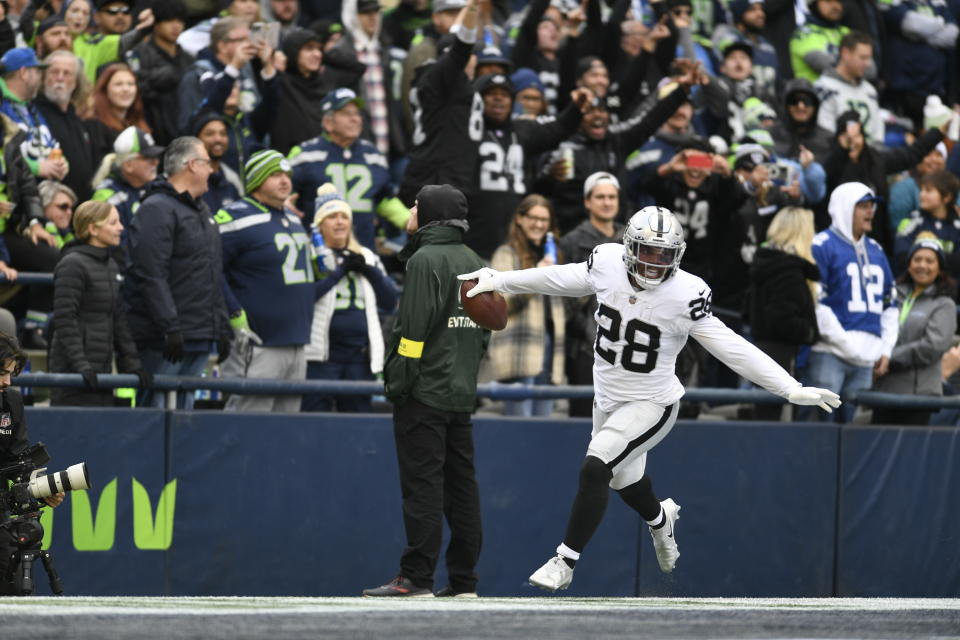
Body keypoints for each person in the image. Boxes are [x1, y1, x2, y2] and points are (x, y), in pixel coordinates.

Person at [458, 206, 839, 592]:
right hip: (607, 399)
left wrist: (788, 386)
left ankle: (565, 561)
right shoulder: (605, 262)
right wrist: (501, 280)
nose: (655, 263)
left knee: (595, 467)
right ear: (628, 247)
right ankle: (661, 520)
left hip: (653, 403)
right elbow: (562, 277)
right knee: (624, 481)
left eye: (664, 254)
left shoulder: (686, 293)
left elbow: (731, 346)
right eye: (647, 251)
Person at [362, 184, 490, 598]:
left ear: (431, 215)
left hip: (424, 394)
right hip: (460, 394)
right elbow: (485, 332)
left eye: (416, 205)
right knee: (462, 488)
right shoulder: (475, 261)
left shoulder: (423, 260)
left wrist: (398, 382)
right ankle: (465, 580)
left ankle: (416, 577)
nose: (409, 211)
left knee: (423, 488)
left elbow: (411, 333)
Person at [124, 136, 232, 409]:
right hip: (163, 339)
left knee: (184, 416)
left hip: (197, 334)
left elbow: (211, 273)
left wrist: (220, 326)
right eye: (207, 163)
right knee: (156, 413)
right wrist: (170, 328)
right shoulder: (156, 209)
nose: (211, 170)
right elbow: (151, 274)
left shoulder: (203, 211)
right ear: (192, 165)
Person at [216, 150, 317, 412]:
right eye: (275, 174)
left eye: (287, 175)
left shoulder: (292, 217)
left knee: (285, 429)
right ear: (256, 179)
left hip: (296, 339)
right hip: (259, 342)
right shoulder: (235, 217)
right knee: (247, 423)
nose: (285, 181)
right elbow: (210, 270)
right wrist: (234, 313)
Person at [805, 182, 898, 423]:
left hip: (867, 361)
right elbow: (816, 302)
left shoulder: (877, 250)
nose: (871, 212)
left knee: (852, 439)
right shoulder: (821, 245)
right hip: (830, 355)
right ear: (845, 208)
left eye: (872, 207)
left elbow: (890, 305)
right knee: (819, 431)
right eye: (863, 207)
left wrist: (884, 349)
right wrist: (849, 345)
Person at [302, 183, 399, 413]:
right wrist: (337, 273)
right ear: (319, 225)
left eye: (344, 217)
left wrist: (370, 271)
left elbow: (390, 300)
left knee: (357, 421)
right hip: (322, 355)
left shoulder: (366, 255)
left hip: (359, 355)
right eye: (331, 217)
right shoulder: (309, 253)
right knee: (316, 420)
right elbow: (302, 299)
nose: (339, 222)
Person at [48, 200, 149, 406]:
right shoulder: (72, 264)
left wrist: (132, 365)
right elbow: (65, 319)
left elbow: (118, 319)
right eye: (113, 223)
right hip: (73, 375)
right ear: (93, 229)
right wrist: (81, 366)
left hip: (101, 373)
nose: (121, 228)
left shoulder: (111, 265)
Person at [288, 88, 407, 251]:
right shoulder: (304, 154)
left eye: (357, 114)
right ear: (328, 122)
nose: (355, 119)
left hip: (364, 249)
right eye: (346, 113)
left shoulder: (373, 155)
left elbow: (384, 199)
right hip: (319, 251)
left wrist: (408, 220)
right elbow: (287, 197)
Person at [488, 194, 565, 417]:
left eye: (544, 219)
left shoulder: (553, 253)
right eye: (533, 217)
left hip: (550, 348)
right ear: (520, 219)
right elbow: (501, 303)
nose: (539, 224)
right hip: (519, 348)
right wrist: (537, 275)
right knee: (519, 428)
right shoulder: (506, 253)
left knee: (544, 430)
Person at [559, 172, 624, 418]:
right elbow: (561, 302)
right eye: (600, 197)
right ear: (587, 201)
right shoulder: (570, 242)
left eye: (611, 196)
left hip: (626, 345)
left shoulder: (631, 239)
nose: (607, 202)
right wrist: (589, 332)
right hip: (584, 349)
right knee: (585, 421)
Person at [746, 207, 821, 420]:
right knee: (776, 423)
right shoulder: (789, 270)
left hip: (762, 350)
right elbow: (782, 319)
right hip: (781, 357)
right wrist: (810, 332)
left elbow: (747, 309)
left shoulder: (767, 262)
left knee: (764, 418)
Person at [872, 239, 956, 426]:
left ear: (940, 268)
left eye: (929, 261)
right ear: (909, 264)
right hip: (883, 391)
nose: (922, 265)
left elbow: (933, 346)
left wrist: (887, 357)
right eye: (917, 259)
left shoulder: (944, 304)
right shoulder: (892, 295)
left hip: (919, 396)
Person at [125, 0, 194, 145]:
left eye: (180, 20)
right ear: (155, 23)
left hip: (185, 132)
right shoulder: (140, 55)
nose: (176, 26)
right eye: (169, 20)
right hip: (153, 131)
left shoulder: (188, 59)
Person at [34, 50, 95, 203]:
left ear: (75, 82)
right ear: (43, 77)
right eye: (54, 71)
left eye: (67, 73)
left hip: (79, 207)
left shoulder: (76, 119)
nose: (60, 78)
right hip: (49, 204)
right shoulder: (34, 114)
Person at [814, 32, 883, 147]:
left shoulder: (870, 90)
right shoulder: (824, 87)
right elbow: (825, 133)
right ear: (845, 53)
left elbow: (878, 134)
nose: (868, 64)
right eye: (863, 58)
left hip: (870, 157)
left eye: (869, 58)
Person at [90, 126, 163, 231]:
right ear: (128, 165)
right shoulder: (106, 197)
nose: (156, 162)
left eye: (155, 157)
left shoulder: (155, 188)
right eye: (148, 158)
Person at [83, 62, 151, 167]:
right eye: (118, 84)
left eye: (130, 84)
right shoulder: (94, 125)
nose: (126, 89)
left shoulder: (139, 123)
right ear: (105, 90)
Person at [37, 179, 77, 249]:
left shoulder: (70, 236)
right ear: (44, 205)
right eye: (63, 206)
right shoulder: (35, 238)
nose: (69, 212)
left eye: (71, 208)